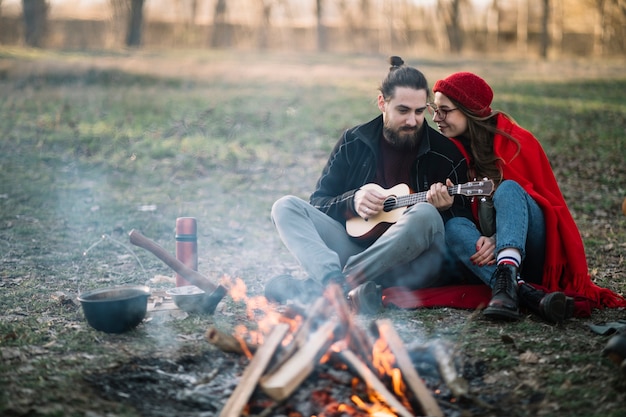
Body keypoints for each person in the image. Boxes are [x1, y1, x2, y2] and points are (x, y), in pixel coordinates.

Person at [265, 56, 473, 313]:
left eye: (420, 112)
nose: (412, 121)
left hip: (412, 264)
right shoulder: (354, 141)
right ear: (382, 103)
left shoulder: (445, 153)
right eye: (403, 110)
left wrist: (446, 209)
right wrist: (353, 200)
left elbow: (463, 223)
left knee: (426, 213)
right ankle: (336, 282)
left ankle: (333, 286)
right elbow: (319, 202)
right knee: (285, 206)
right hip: (355, 246)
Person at [431, 71, 626, 322]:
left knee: (510, 189)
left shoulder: (516, 143)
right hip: (484, 254)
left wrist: (499, 237)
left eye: (444, 110)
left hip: (531, 247)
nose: (436, 118)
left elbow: (546, 205)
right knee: (454, 226)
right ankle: (523, 291)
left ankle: (509, 271)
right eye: (433, 109)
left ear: (468, 110)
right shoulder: (446, 150)